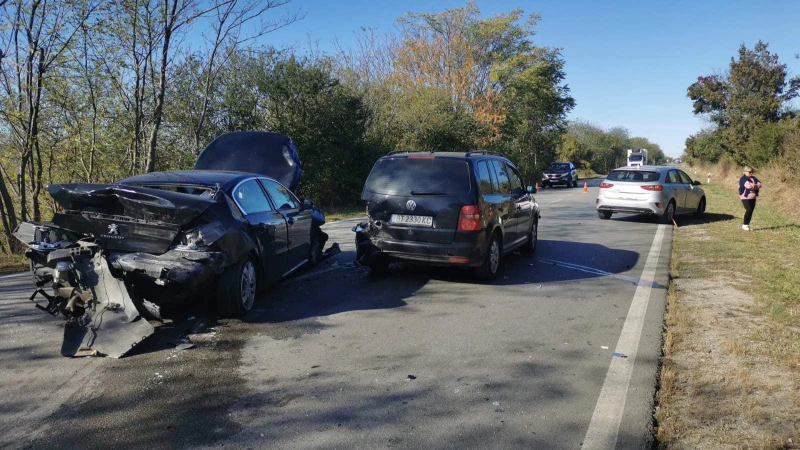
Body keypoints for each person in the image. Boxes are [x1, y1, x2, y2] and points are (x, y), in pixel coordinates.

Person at [738, 165, 762, 231]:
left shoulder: (754, 178)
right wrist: (755, 186)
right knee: (748, 209)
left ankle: (747, 225)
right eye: (750, 172)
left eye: (752, 172)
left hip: (753, 197)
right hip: (745, 197)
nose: (751, 173)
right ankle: (744, 225)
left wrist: (754, 185)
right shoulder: (743, 179)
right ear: (744, 172)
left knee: (751, 211)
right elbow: (748, 186)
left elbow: (760, 184)